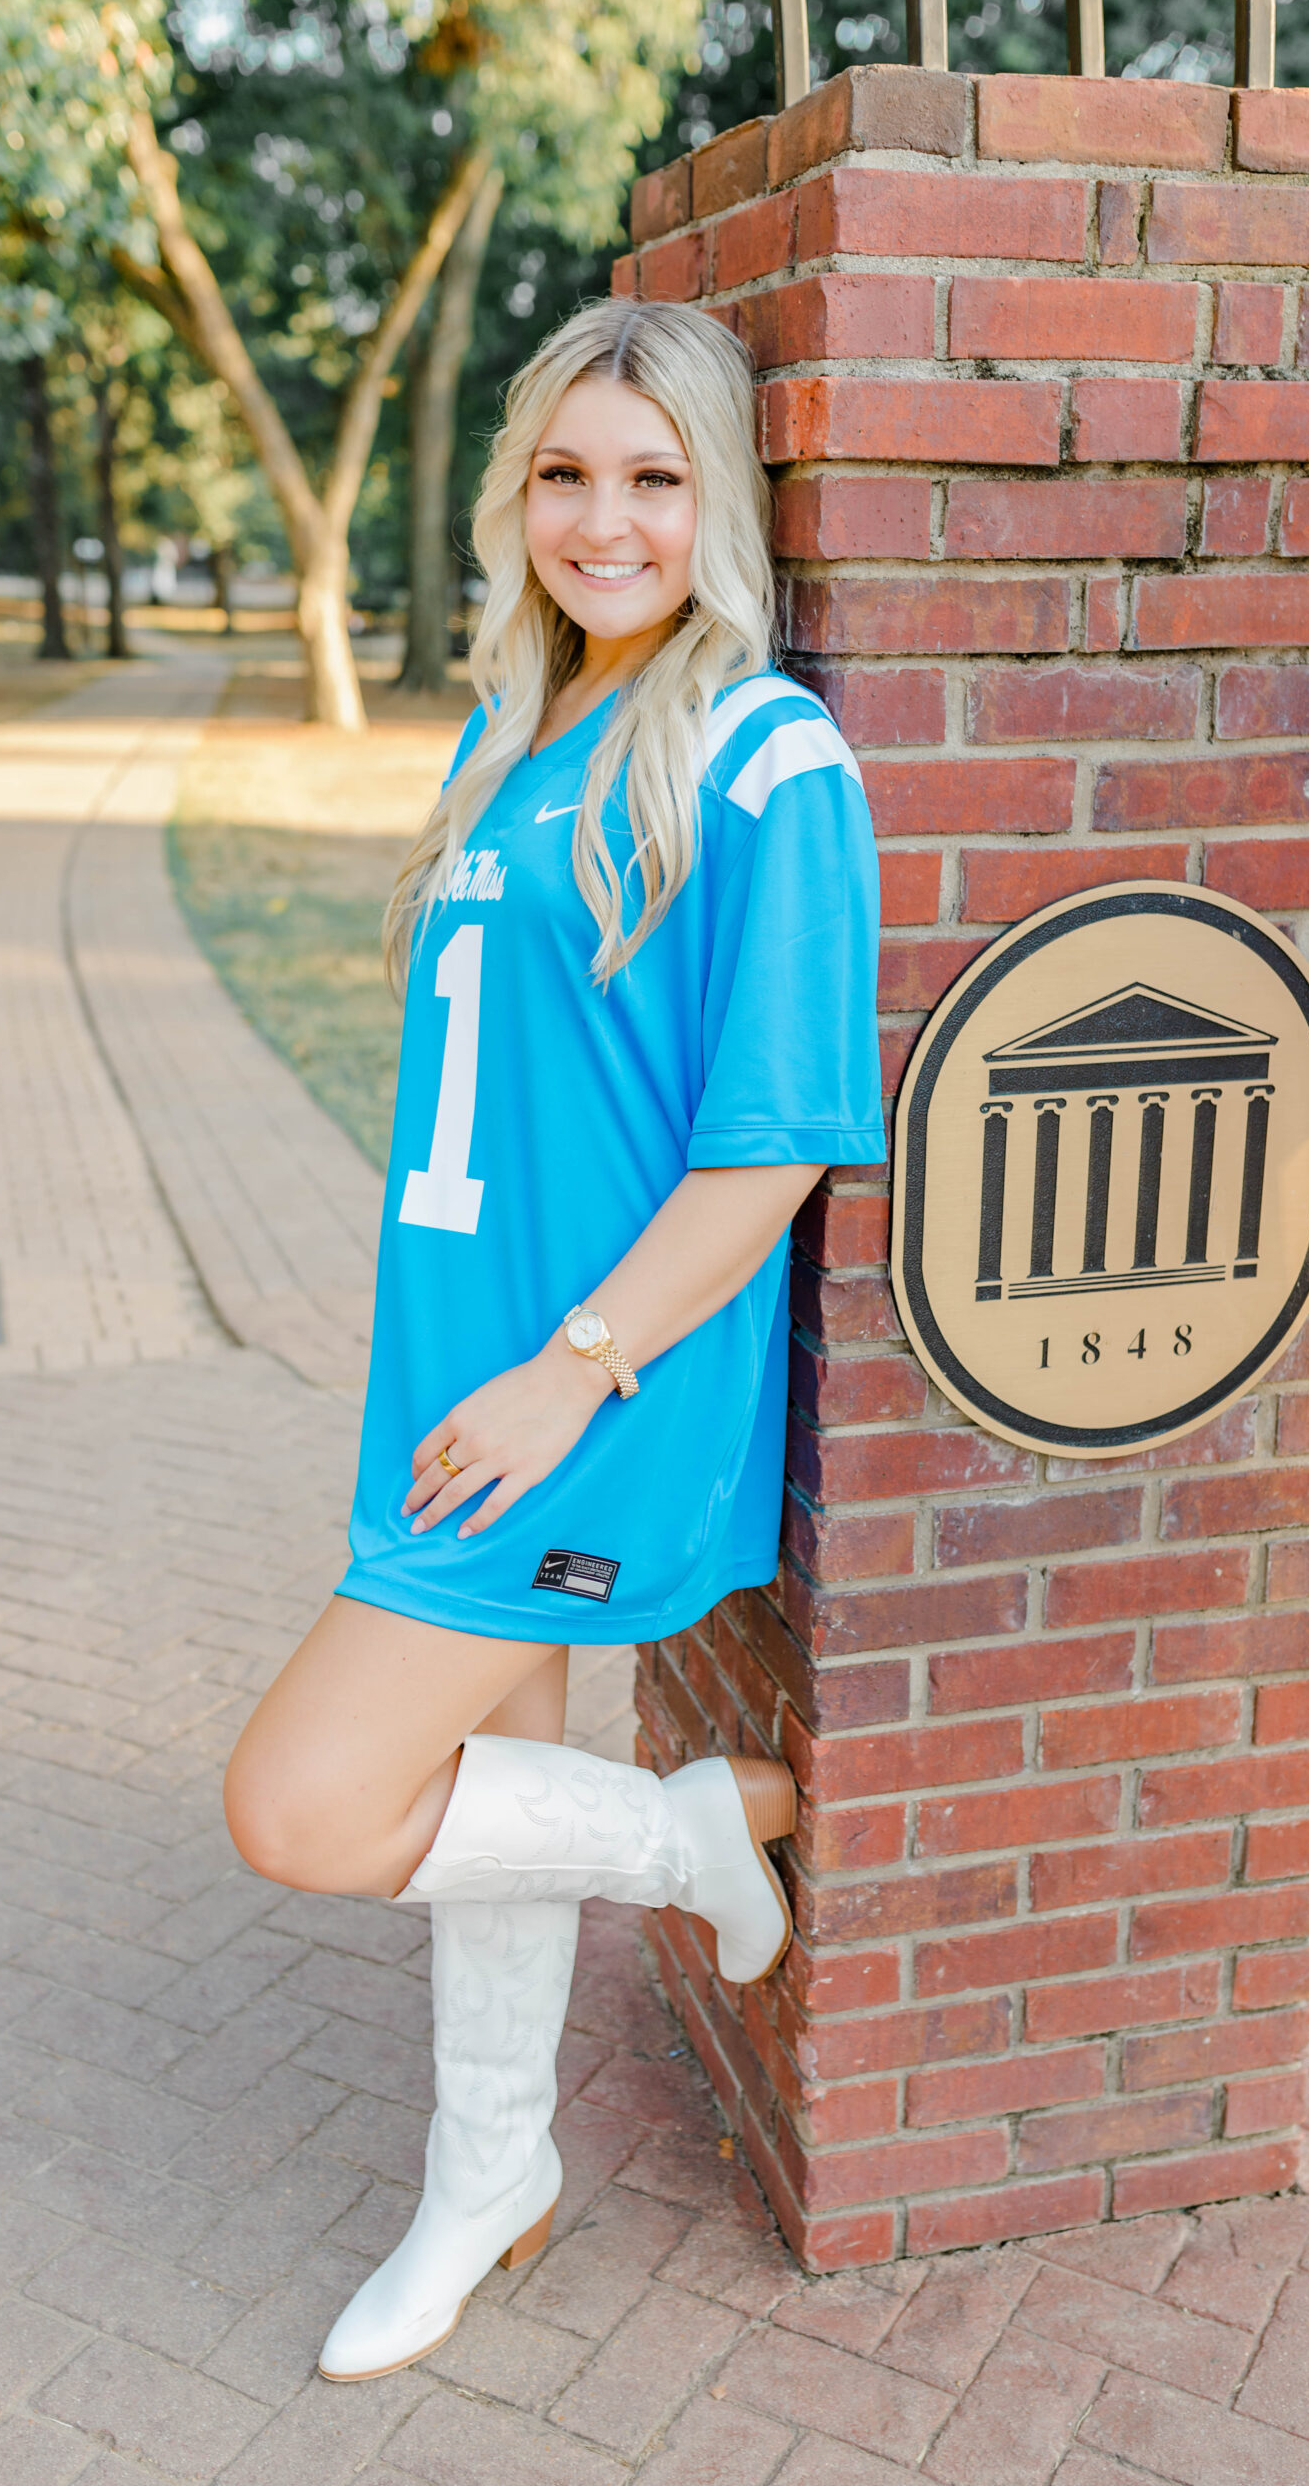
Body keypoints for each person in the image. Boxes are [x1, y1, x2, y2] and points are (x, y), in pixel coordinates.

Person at [223, 297, 884, 2383]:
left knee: (309, 1801)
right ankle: (486, 2171)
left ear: (723, 503)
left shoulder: (765, 753)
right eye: (566, 473)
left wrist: (560, 1365)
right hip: (466, 1356)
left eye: (655, 477)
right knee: (489, 1765)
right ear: (519, 493)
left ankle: (689, 1838)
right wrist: (462, 1346)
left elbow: (768, 1144)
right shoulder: (510, 726)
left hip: (593, 1381)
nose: (605, 520)